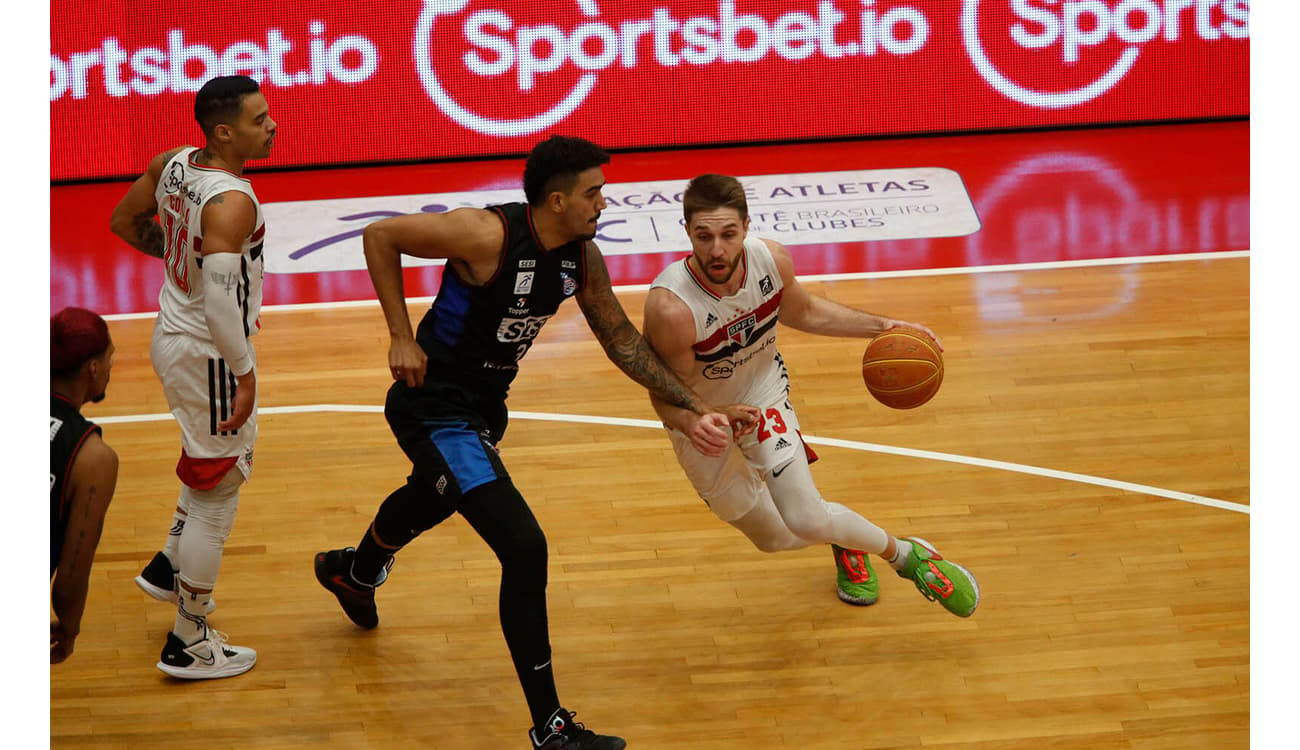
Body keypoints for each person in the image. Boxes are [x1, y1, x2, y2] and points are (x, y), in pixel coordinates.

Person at [314, 135, 755, 750]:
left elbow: (624, 342)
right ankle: (551, 728)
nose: (604, 202)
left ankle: (354, 574)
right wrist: (399, 335)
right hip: (435, 410)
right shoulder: (486, 234)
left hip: (484, 412)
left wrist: (698, 405)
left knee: (435, 494)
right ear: (556, 200)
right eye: (593, 192)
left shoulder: (580, 256)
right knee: (524, 547)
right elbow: (380, 236)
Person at [641, 173, 979, 617]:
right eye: (704, 236)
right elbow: (665, 394)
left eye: (728, 234)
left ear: (746, 226)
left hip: (763, 395)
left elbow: (805, 311)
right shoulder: (672, 309)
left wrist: (889, 328)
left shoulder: (770, 261)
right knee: (773, 538)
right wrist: (704, 416)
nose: (717, 249)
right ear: (687, 233)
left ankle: (907, 557)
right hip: (706, 420)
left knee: (805, 517)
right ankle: (843, 538)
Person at [108, 74, 276, 679]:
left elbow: (125, 223)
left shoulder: (173, 162)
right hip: (208, 353)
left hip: (172, 336)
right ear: (224, 131)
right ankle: (190, 639)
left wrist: (179, 260)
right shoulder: (232, 201)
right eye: (260, 119)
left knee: (203, 460)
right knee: (219, 487)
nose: (272, 125)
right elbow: (219, 303)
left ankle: (165, 567)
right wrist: (245, 372)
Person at [51, 307, 119, 664]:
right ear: (93, 369)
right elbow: (70, 578)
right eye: (109, 361)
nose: (111, 370)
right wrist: (69, 628)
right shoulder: (93, 459)